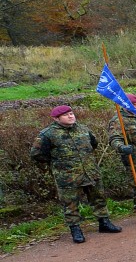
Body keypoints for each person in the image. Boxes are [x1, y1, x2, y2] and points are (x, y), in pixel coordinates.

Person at [31, 104, 121, 243]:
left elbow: (94, 144)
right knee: (70, 203)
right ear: (56, 118)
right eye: (66, 115)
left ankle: (104, 223)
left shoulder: (83, 129)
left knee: (98, 198)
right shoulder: (47, 134)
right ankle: (75, 229)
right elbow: (37, 154)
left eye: (71, 113)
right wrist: (59, 163)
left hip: (90, 171)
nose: (70, 116)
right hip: (67, 176)